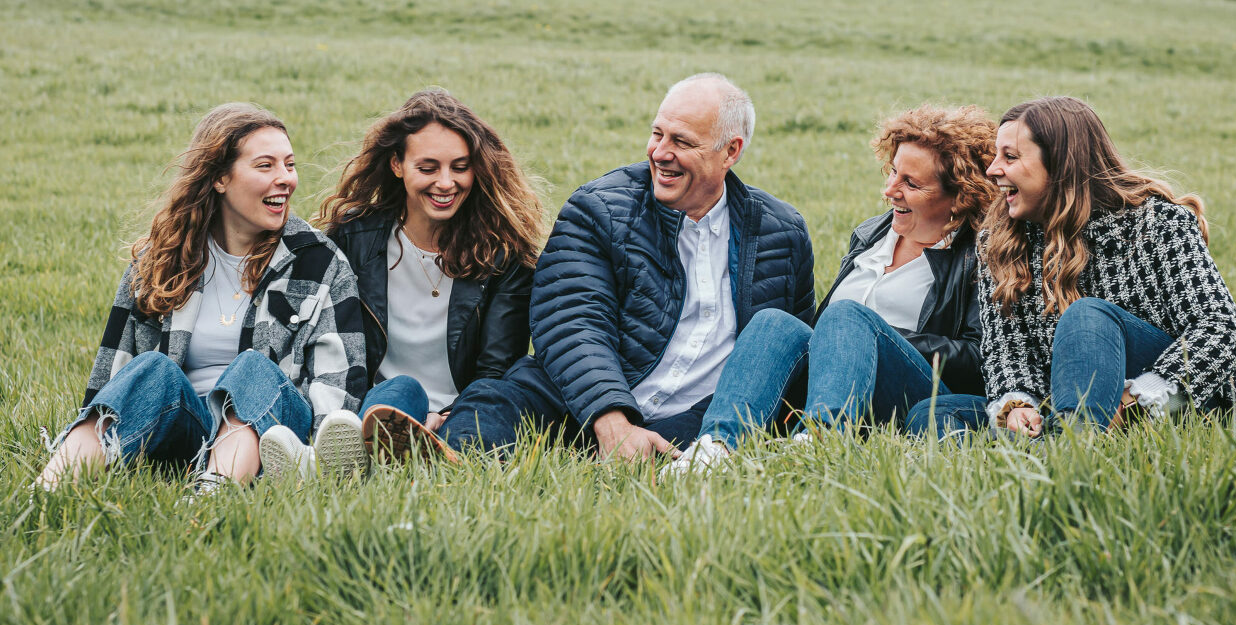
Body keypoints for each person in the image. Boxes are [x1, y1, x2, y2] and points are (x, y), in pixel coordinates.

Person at [433, 73, 816, 460]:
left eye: (681, 142)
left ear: (730, 152)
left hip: (693, 417)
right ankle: (441, 459)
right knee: (495, 404)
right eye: (658, 134)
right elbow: (572, 321)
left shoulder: (782, 234)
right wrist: (611, 420)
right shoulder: (599, 208)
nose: (660, 152)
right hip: (578, 399)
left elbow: (784, 352)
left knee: (682, 453)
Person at [34, 103, 367, 494]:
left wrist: (318, 456)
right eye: (265, 166)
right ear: (220, 178)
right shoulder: (161, 258)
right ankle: (45, 493)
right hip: (183, 432)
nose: (286, 180)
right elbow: (118, 371)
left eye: (289, 165)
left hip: (274, 435)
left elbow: (337, 383)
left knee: (251, 368)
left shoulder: (319, 262)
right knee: (152, 368)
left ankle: (211, 499)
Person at [914, 96, 1236, 440]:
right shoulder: (1001, 238)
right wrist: (1016, 404)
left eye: (1010, 157)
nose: (993, 170)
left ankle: (1069, 453)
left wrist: (1139, 397)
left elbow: (1218, 327)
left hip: (1164, 398)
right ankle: (1020, 463)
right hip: (1058, 399)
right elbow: (1006, 349)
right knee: (933, 412)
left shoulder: (1156, 222)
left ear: (1059, 165)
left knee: (1087, 316)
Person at [667, 104, 998, 472]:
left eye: (911, 183)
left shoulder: (979, 257)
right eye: (893, 172)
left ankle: (819, 445)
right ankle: (715, 448)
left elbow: (980, 361)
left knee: (847, 317)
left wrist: (877, 336)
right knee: (774, 323)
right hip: (834, 382)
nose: (890, 191)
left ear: (959, 196)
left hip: (909, 392)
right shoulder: (872, 235)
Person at [271, 89, 545, 476]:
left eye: (460, 167)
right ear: (398, 165)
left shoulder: (503, 257)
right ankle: (359, 453)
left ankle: (411, 459)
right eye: (429, 168)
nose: (446, 183)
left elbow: (495, 369)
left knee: (475, 401)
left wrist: (446, 415)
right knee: (402, 389)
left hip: (466, 410)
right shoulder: (355, 238)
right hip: (378, 404)